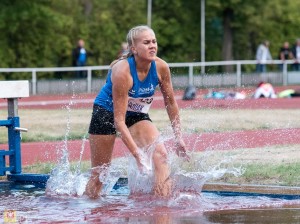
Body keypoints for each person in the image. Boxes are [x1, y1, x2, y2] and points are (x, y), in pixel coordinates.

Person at [84, 25, 189, 199]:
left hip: (136, 113)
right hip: (106, 113)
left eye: (154, 42)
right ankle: (89, 209)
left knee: (161, 155)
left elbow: (171, 103)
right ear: (133, 48)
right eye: (146, 42)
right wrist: (137, 154)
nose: (152, 46)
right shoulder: (122, 71)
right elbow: (119, 121)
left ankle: (161, 208)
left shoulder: (161, 67)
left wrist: (179, 137)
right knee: (100, 175)